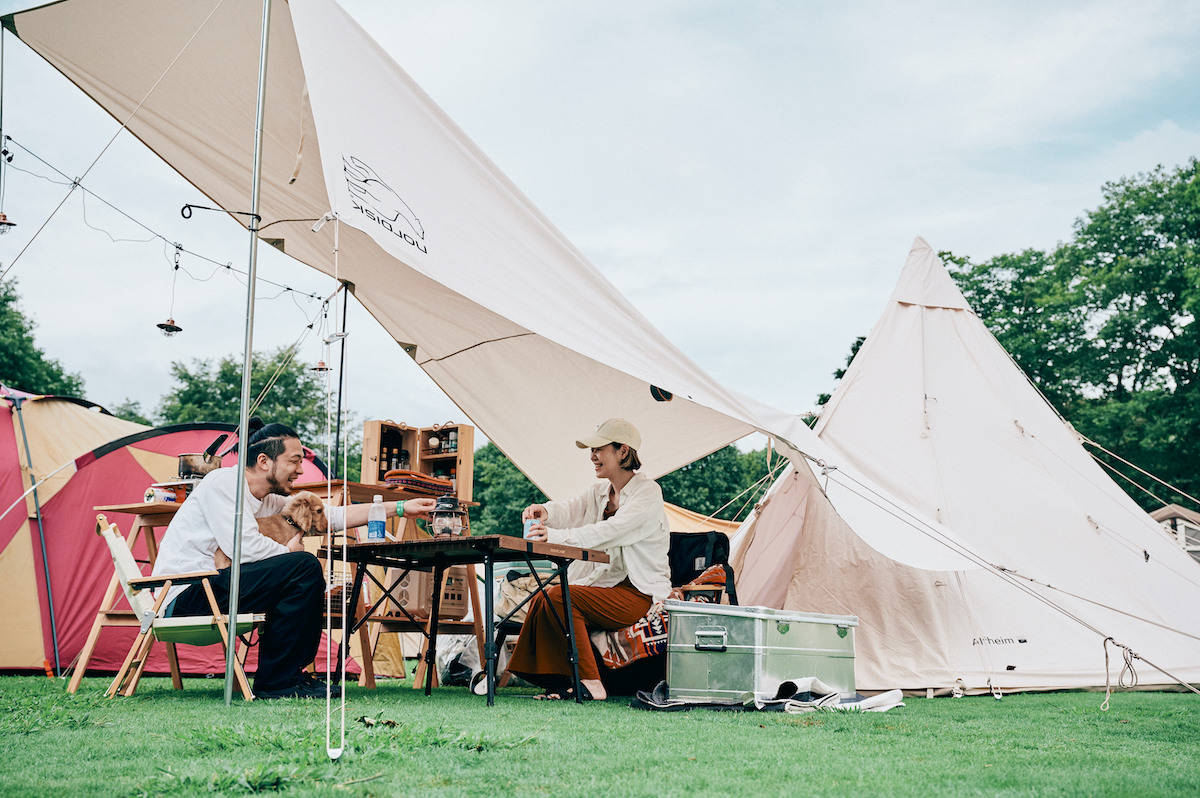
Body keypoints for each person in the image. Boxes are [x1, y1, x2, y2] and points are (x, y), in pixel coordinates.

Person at [151, 421, 435, 699]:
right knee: (302, 566)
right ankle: (277, 681)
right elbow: (245, 548)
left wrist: (399, 507)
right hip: (185, 594)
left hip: (214, 589)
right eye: (294, 461)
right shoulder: (225, 483)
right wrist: (290, 552)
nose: (300, 470)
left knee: (303, 571)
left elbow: (329, 517)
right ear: (264, 461)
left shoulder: (267, 498)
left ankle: (287, 677)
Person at [509, 417, 670, 701]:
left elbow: (609, 532)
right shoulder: (599, 492)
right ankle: (558, 681)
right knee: (544, 597)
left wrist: (553, 537)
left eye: (599, 448)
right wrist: (544, 512)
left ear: (623, 451)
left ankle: (592, 684)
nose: (593, 456)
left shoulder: (648, 493)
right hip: (606, 586)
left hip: (638, 592)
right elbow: (569, 508)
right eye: (590, 450)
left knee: (560, 596)